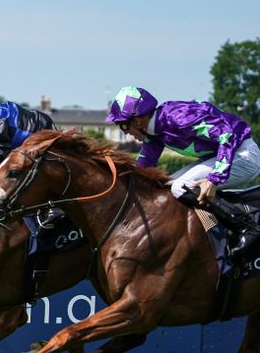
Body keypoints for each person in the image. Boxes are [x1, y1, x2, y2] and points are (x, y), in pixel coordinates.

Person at [107, 85, 260, 256]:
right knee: (165, 189)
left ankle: (246, 226)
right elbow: (141, 170)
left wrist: (214, 179)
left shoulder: (177, 117)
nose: (126, 133)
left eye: (123, 126)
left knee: (180, 186)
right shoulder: (154, 133)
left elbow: (227, 136)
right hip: (224, 156)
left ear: (137, 120)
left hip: (245, 155)